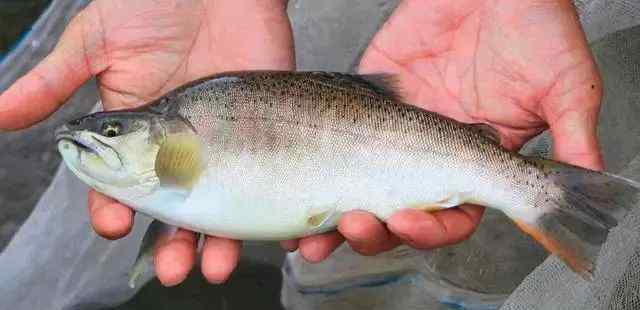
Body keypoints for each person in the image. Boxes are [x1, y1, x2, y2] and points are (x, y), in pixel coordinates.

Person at [0, 0, 602, 287]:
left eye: (110, 130)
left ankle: (542, 197)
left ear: (165, 138)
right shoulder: (178, 152)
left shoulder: (183, 139)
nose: (88, 136)